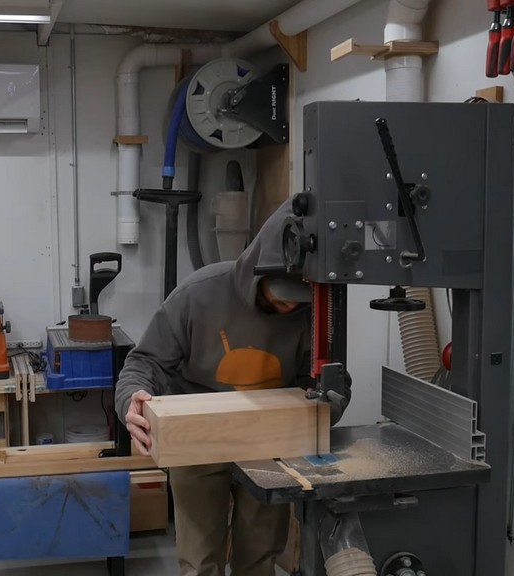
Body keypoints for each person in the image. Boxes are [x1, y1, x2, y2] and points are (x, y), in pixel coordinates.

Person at [115, 197, 351, 576]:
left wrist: (325, 409)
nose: (292, 308)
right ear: (258, 271)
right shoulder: (199, 294)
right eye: (283, 296)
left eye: (300, 298)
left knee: (260, 556)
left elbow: (329, 379)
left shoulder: (314, 308)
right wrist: (131, 401)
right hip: (196, 438)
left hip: (269, 440)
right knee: (200, 559)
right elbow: (144, 363)